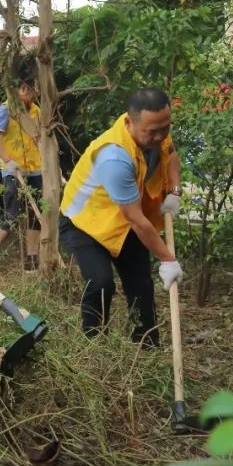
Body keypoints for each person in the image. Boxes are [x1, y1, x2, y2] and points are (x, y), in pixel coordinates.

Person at [59, 87, 184, 347]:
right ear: (130, 122)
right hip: (85, 223)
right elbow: (137, 220)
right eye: (152, 131)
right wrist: (167, 259)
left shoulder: (157, 132)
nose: (160, 136)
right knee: (101, 282)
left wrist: (174, 190)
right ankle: (94, 347)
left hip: (121, 221)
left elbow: (171, 155)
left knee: (141, 284)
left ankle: (147, 346)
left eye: (165, 127)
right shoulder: (114, 157)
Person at [0, 79, 42, 271]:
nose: (30, 94)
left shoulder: (37, 111)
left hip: (36, 170)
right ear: (19, 89)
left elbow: (41, 139)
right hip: (13, 170)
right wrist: (9, 161)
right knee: (12, 215)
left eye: (32, 90)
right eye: (27, 89)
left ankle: (32, 260)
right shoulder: (6, 109)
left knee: (35, 215)